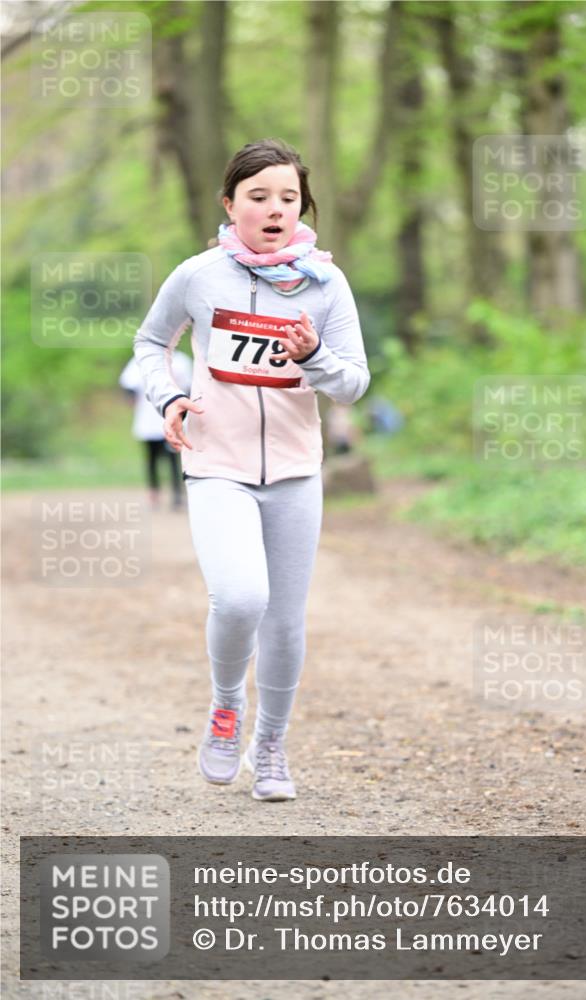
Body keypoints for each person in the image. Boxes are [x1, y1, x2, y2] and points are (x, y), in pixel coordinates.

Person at [133, 138, 370, 802]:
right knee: (240, 598)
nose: (274, 209)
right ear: (229, 204)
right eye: (258, 197)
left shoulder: (327, 283)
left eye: (287, 198)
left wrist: (315, 355)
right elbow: (152, 342)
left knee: (286, 620)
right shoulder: (198, 275)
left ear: (303, 207)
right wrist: (170, 396)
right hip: (217, 465)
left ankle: (270, 747)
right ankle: (226, 704)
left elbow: (352, 384)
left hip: (295, 471)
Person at [119, 352, 193, 510]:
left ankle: (177, 495)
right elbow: (128, 384)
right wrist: (130, 399)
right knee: (152, 459)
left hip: (173, 418)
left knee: (174, 459)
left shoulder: (180, 361)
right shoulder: (142, 359)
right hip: (148, 420)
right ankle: (154, 494)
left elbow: (190, 387)